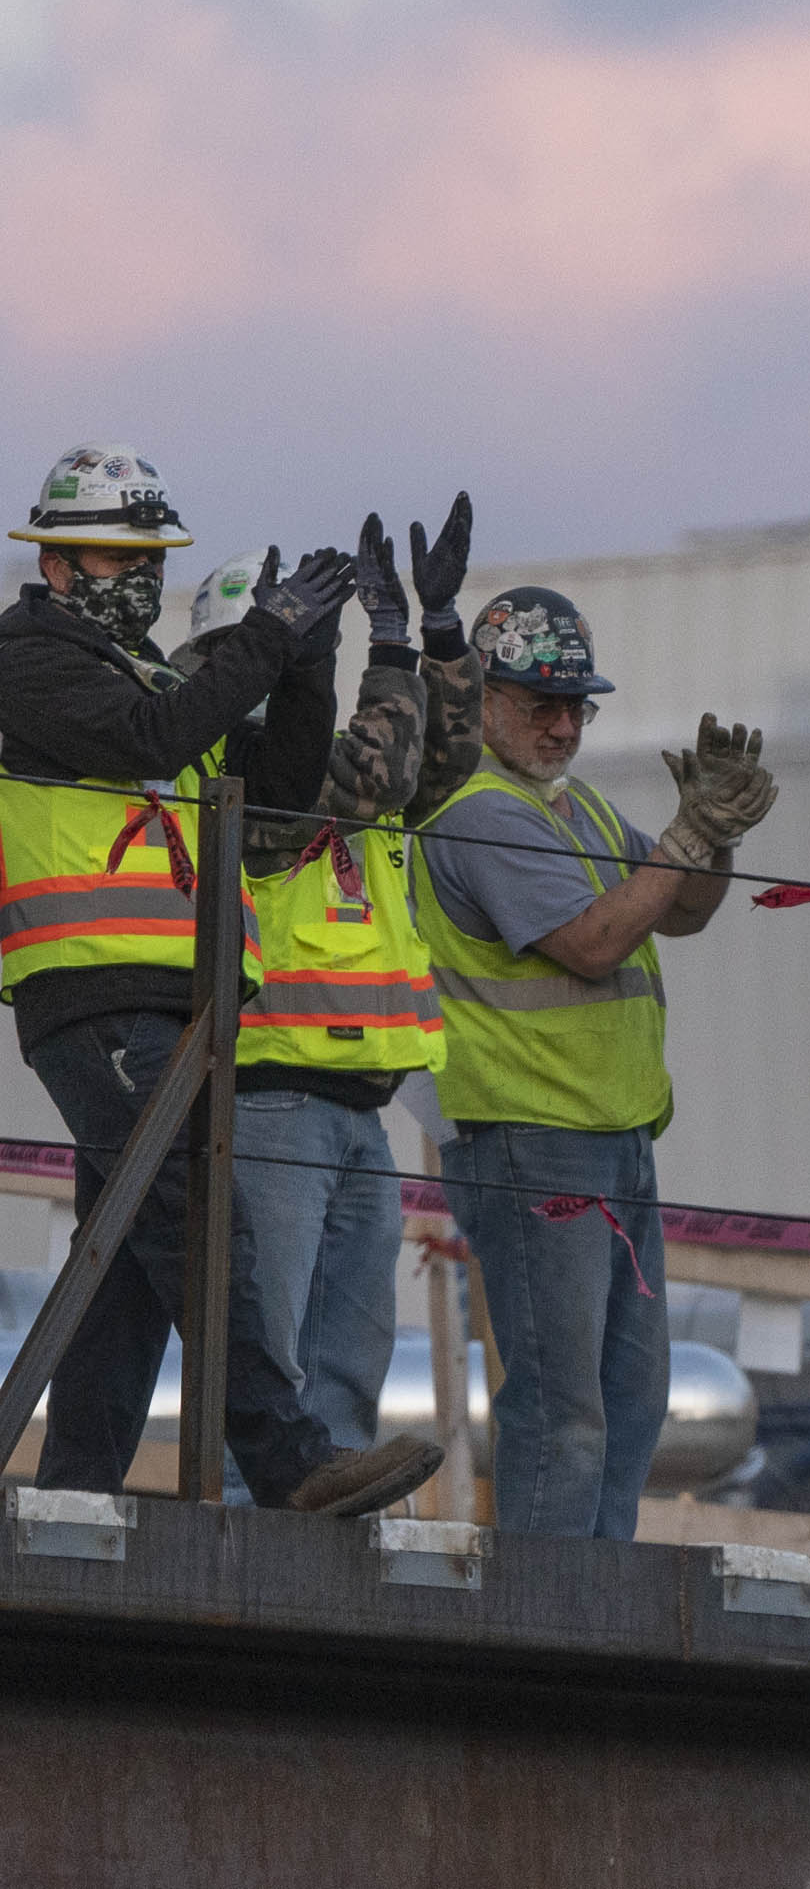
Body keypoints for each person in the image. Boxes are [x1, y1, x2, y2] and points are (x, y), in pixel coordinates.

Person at [0, 442, 441, 1514]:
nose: (138, 576)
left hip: (177, 1003)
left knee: (128, 1266)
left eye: (148, 554)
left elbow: (279, 806)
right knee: (199, 1224)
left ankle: (73, 1497)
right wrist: (264, 635)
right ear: (57, 566)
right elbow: (155, 736)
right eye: (116, 556)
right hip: (93, 987)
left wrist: (305, 668)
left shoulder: (141, 670)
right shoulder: (25, 659)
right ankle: (291, 1462)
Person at [411, 587, 777, 1538]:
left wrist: (715, 836)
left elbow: (682, 909)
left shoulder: (570, 808)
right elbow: (591, 943)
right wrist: (691, 837)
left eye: (576, 707)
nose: (564, 725)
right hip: (534, 1138)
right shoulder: (481, 812)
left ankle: (591, 1599)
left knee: (626, 1399)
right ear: (486, 701)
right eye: (542, 704)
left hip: (605, 1134)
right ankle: (550, 1615)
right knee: (565, 1405)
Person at [177, 499, 481, 1476]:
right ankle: (240, 1557)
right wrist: (385, 648)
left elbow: (438, 763)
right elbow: (380, 772)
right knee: (270, 1360)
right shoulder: (228, 754)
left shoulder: (321, 750)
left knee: (346, 1368)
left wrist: (436, 638)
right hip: (271, 1093)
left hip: (357, 1102)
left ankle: (325, 1562)